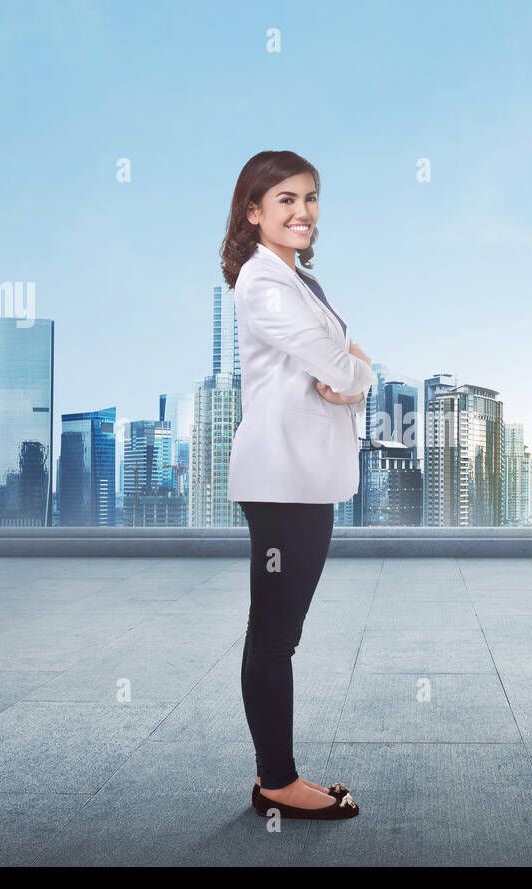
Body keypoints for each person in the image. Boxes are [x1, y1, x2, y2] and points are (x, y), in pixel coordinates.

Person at [220, 150, 374, 820]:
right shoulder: (263, 282)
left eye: (310, 198)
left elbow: (342, 369)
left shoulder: (297, 280)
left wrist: (349, 371)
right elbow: (343, 365)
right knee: (275, 632)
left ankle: (275, 777)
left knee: (278, 630)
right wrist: (357, 370)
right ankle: (276, 783)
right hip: (283, 477)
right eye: (284, 199)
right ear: (253, 212)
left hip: (304, 476)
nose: (302, 212)